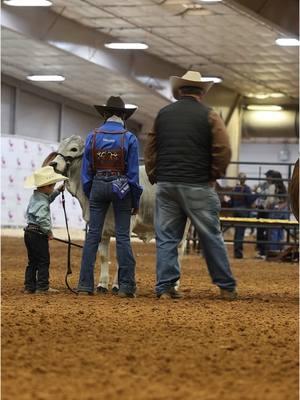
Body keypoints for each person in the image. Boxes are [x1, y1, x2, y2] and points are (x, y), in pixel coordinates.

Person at [144, 70, 237, 300]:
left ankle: (165, 287)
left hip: (166, 186)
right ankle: (226, 287)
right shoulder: (210, 115)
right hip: (197, 184)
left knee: (166, 238)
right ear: (201, 94)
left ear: (180, 92)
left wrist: (155, 174)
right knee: (210, 235)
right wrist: (213, 174)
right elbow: (223, 148)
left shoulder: (163, 115)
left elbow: (150, 149)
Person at [77, 96, 143, 298]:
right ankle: (125, 286)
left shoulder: (92, 136)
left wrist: (91, 192)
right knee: (123, 237)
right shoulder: (129, 138)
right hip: (120, 184)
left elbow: (86, 171)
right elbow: (133, 174)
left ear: (105, 115)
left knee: (93, 237)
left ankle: (84, 286)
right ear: (123, 115)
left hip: (97, 184)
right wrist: (135, 199)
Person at [23, 166, 68, 293]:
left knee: (32, 261)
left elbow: (48, 198)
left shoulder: (36, 197)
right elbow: (43, 219)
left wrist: (57, 191)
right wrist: (48, 232)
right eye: (52, 187)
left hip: (29, 233)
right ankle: (42, 286)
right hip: (38, 234)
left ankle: (29, 286)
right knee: (43, 260)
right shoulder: (42, 203)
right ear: (45, 187)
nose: (53, 188)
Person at [228, 172, 255, 259]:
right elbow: (250, 200)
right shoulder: (246, 189)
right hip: (243, 211)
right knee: (240, 232)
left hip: (235, 210)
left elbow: (230, 202)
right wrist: (257, 195)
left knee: (237, 231)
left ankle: (237, 250)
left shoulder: (234, 188)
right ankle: (238, 252)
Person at [254, 170, 275, 259]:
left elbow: (262, 194)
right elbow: (258, 194)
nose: (267, 178)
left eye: (268, 176)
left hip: (268, 210)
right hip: (261, 208)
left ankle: (265, 250)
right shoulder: (263, 184)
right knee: (260, 230)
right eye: (267, 176)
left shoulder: (273, 186)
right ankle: (260, 250)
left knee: (266, 230)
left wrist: (259, 192)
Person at [267, 171, 288, 253]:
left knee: (273, 230)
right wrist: (283, 205)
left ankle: (273, 250)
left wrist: (267, 206)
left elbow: (271, 200)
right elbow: (287, 199)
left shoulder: (272, 187)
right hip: (283, 209)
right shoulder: (284, 186)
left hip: (275, 209)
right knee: (281, 229)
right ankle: (280, 248)